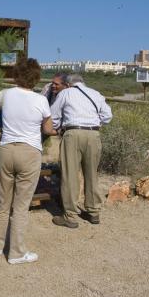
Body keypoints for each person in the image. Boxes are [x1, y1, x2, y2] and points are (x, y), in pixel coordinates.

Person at [0, 58, 57, 264]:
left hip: (6, 150)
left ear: (16, 75)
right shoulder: (41, 100)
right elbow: (47, 129)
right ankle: (16, 253)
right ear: (35, 78)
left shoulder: (5, 95)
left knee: (3, 202)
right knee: (21, 206)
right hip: (29, 152)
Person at [50, 74, 112, 228]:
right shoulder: (95, 93)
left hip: (73, 133)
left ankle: (70, 215)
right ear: (83, 83)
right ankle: (93, 212)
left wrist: (58, 127)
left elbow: (54, 116)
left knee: (70, 174)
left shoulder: (65, 93)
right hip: (93, 134)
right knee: (92, 173)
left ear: (69, 84)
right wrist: (93, 122)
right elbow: (108, 116)